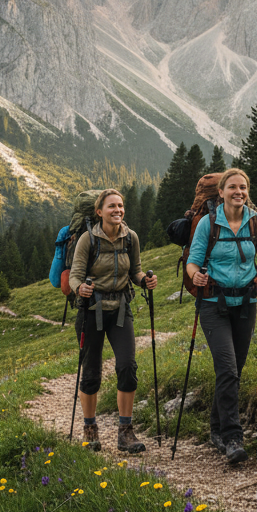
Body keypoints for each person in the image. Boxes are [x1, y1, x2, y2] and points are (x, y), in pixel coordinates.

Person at [185, 168, 257, 464]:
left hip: (246, 302)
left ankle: (216, 428)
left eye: (243, 187)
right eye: (232, 187)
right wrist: (197, 278)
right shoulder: (208, 223)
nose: (238, 192)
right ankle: (233, 438)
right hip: (213, 305)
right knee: (228, 368)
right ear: (221, 192)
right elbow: (192, 264)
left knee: (234, 370)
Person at [69, 188, 159, 453]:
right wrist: (79, 289)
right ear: (99, 212)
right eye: (112, 207)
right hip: (91, 311)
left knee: (128, 367)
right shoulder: (88, 239)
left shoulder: (130, 238)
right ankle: (89, 429)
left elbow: (136, 271)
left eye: (120, 206)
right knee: (92, 372)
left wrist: (145, 280)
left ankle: (125, 432)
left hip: (120, 309)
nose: (118, 210)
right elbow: (75, 275)